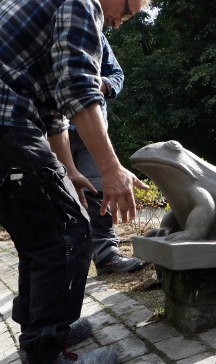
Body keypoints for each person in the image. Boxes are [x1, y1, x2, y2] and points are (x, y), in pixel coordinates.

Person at [0, 0, 149, 364]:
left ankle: (42, 335)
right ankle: (50, 352)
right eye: (126, 12)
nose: (120, 24)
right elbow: (79, 88)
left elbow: (53, 111)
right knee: (68, 231)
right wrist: (110, 169)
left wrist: (70, 171)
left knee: (39, 234)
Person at [68, 32, 143, 276]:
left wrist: (102, 84)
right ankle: (66, 263)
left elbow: (117, 75)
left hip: (94, 130)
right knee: (61, 196)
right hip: (55, 131)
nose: (120, 24)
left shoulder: (96, 35)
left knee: (98, 191)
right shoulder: (50, 29)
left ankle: (107, 255)